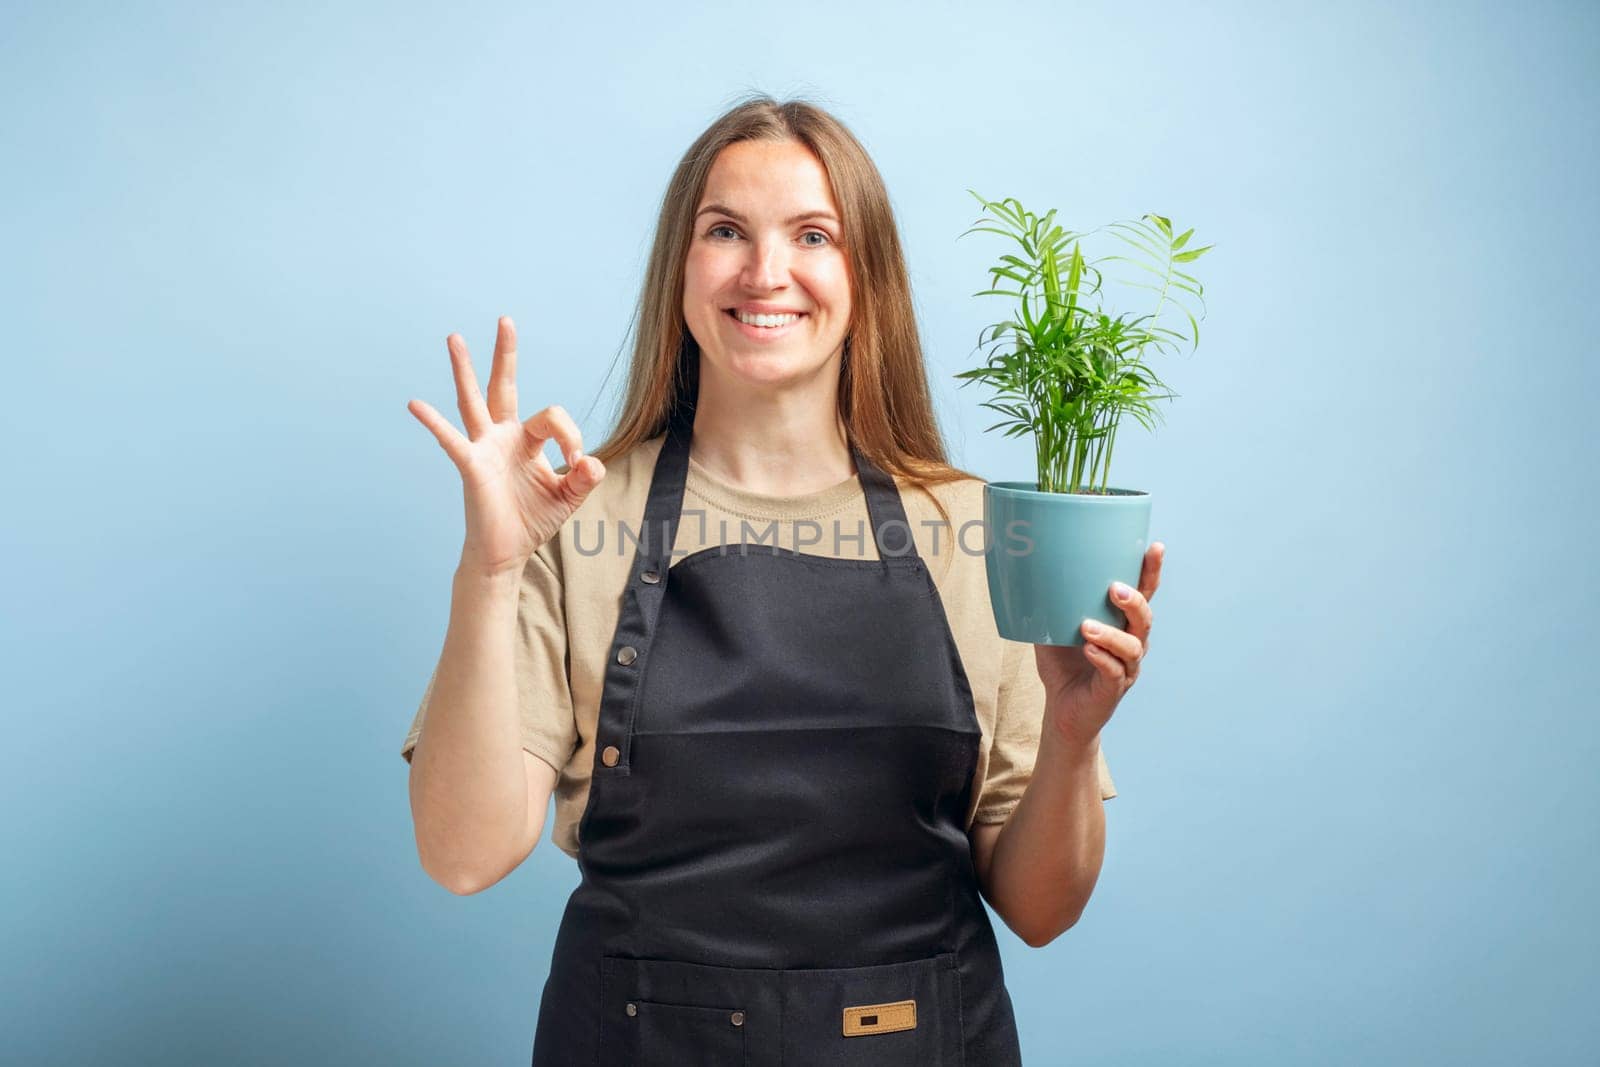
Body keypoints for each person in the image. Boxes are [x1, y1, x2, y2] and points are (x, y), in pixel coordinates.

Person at [400, 94, 1163, 1066]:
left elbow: (1040, 909)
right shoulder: (571, 511)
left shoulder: (977, 525)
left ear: (866, 275)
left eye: (813, 234)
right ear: (679, 267)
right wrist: (491, 566)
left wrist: (1070, 734)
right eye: (725, 231)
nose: (766, 272)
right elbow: (463, 855)